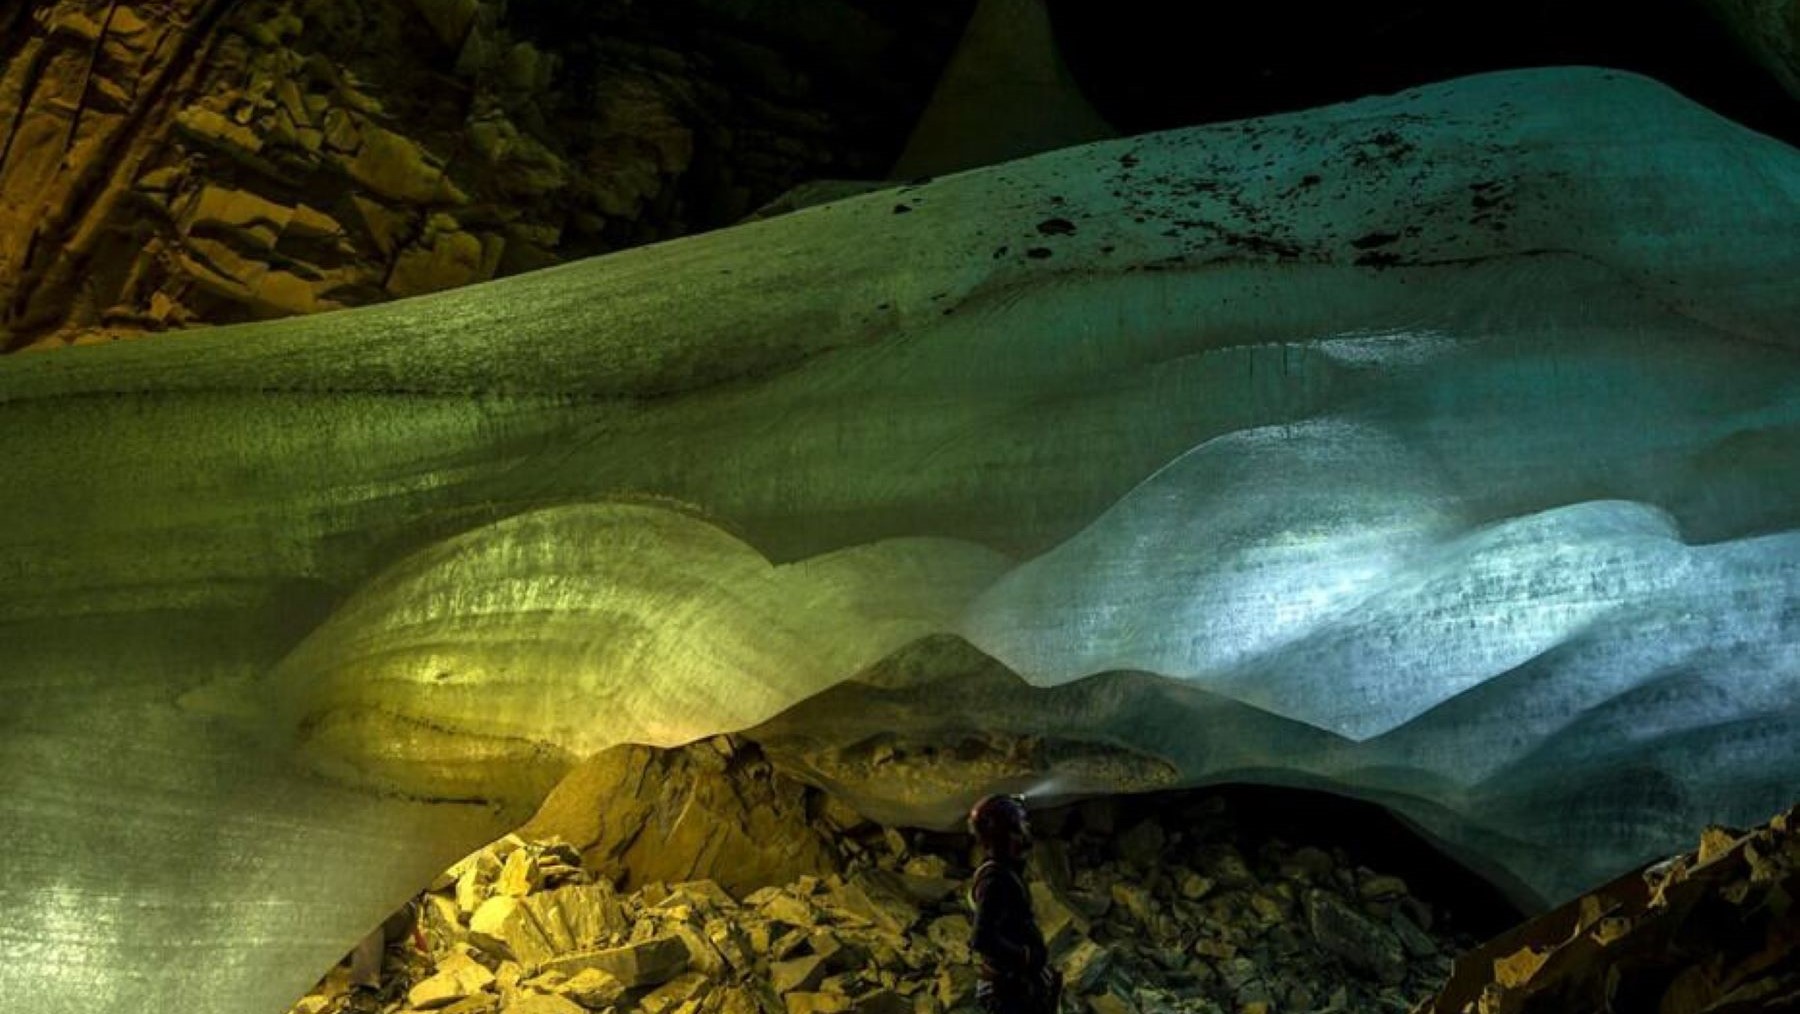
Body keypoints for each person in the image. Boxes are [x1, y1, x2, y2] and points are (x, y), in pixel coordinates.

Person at [968, 794, 1062, 1014]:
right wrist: (1027, 958)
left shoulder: (1002, 871)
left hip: (1015, 987)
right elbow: (982, 938)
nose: (1027, 827)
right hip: (1010, 993)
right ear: (1009, 831)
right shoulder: (995, 879)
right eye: (1021, 822)